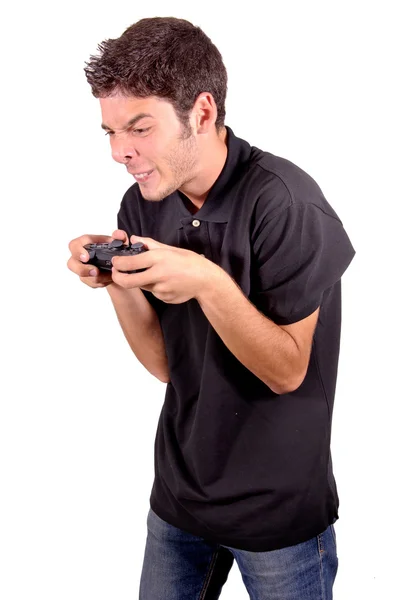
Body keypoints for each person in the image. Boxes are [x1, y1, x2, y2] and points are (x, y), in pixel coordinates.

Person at [67, 16, 355, 600]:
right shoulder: (144, 200)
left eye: (140, 128)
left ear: (201, 112)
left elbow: (287, 369)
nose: (122, 152)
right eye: (111, 132)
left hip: (280, 516)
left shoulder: (286, 203)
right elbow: (168, 366)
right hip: (179, 500)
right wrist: (118, 280)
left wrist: (207, 282)